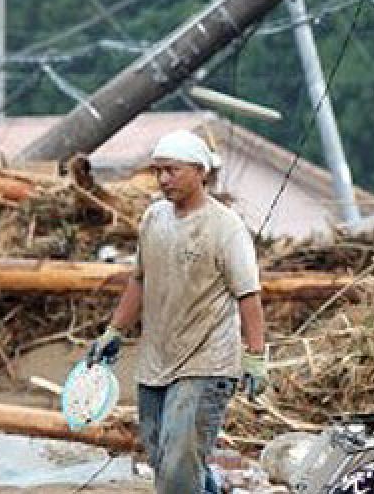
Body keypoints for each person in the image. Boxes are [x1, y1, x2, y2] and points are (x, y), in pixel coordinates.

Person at [87, 130, 268, 494]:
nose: (163, 179)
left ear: (200, 171)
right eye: (158, 171)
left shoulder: (225, 227)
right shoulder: (154, 219)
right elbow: (140, 280)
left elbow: (249, 296)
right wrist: (114, 331)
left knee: (177, 475)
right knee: (161, 459)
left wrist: (255, 356)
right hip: (156, 363)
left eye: (172, 170)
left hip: (207, 362)